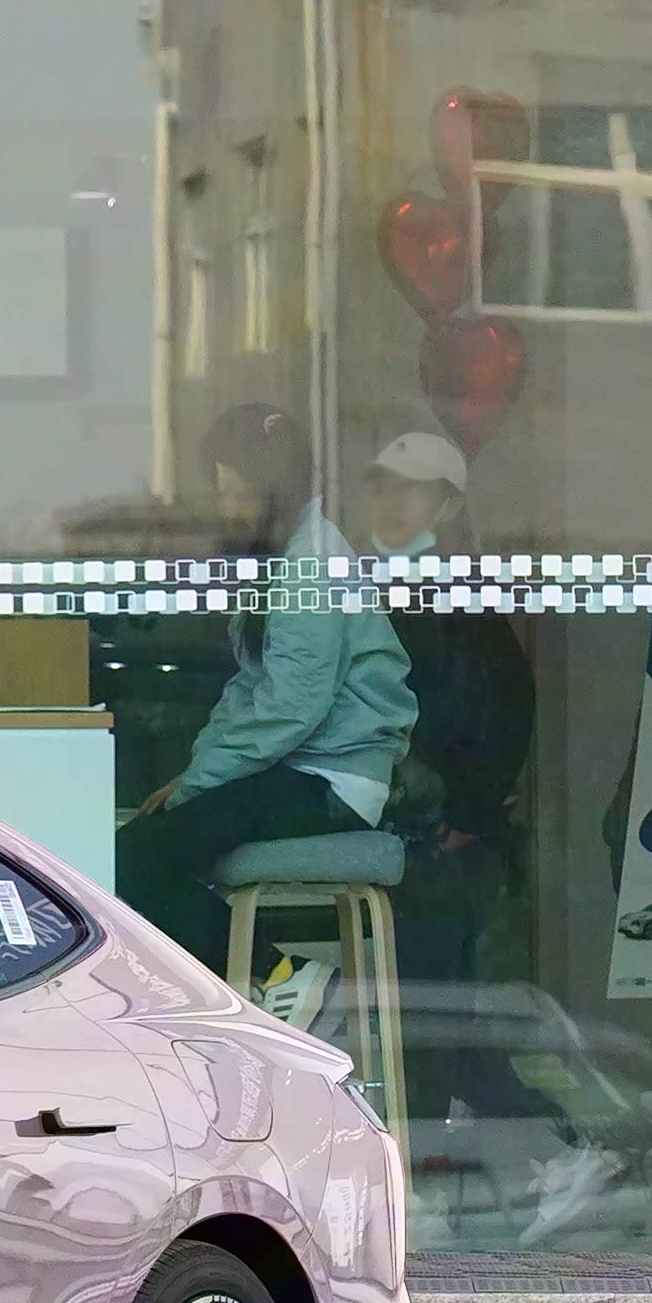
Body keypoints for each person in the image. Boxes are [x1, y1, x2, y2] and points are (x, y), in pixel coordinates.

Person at [114, 405, 420, 984]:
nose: (222, 506)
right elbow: (250, 686)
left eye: (231, 488)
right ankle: (277, 978)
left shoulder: (310, 565)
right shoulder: (282, 559)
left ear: (268, 490)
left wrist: (198, 784)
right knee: (135, 854)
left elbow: (291, 708)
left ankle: (282, 978)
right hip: (302, 773)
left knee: (133, 860)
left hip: (331, 784)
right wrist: (196, 774)